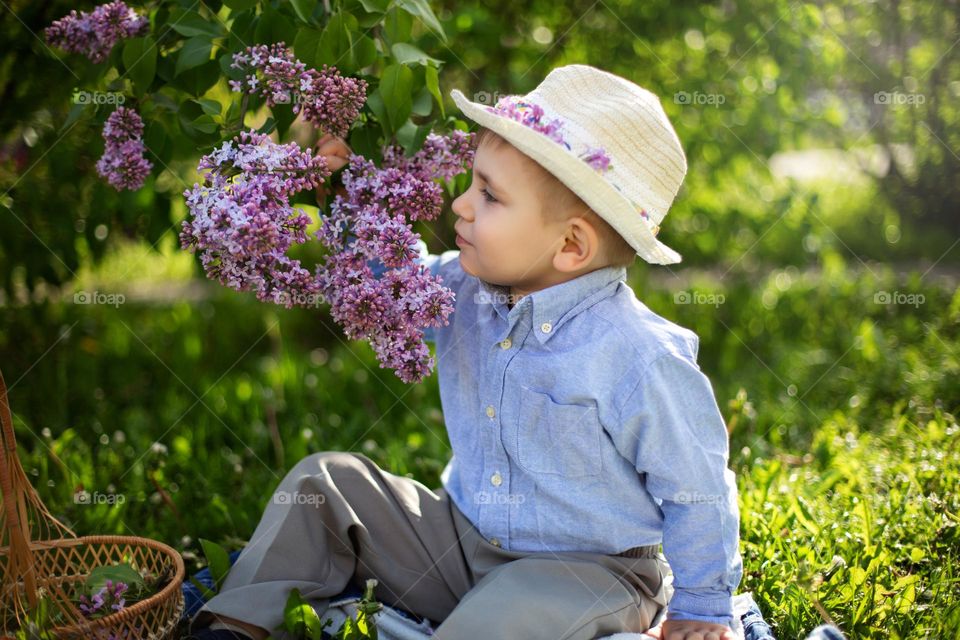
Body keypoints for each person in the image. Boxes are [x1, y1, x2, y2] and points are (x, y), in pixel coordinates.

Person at [188, 64, 742, 640]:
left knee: (504, 614)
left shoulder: (639, 355)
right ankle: (234, 626)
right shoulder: (463, 287)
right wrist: (345, 198)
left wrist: (701, 610)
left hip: (588, 575)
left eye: (489, 195)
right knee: (324, 483)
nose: (461, 205)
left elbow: (699, 490)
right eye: (473, 183)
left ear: (571, 244)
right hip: (461, 544)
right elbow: (392, 282)